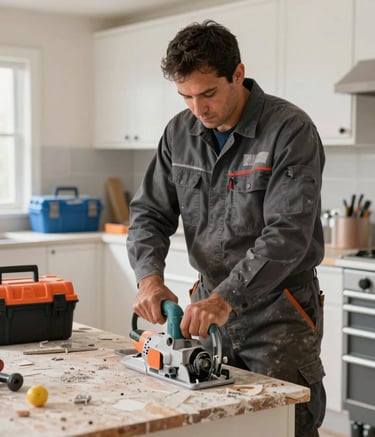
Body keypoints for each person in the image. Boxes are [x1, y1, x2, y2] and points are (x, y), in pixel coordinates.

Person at [126, 20, 326, 437]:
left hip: (279, 311)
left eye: (208, 93)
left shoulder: (289, 130)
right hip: (206, 311)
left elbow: (288, 232)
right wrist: (149, 279)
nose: (198, 109)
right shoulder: (179, 133)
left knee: (282, 424)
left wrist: (226, 298)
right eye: (186, 97)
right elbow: (149, 213)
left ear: (238, 74)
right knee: (212, 425)